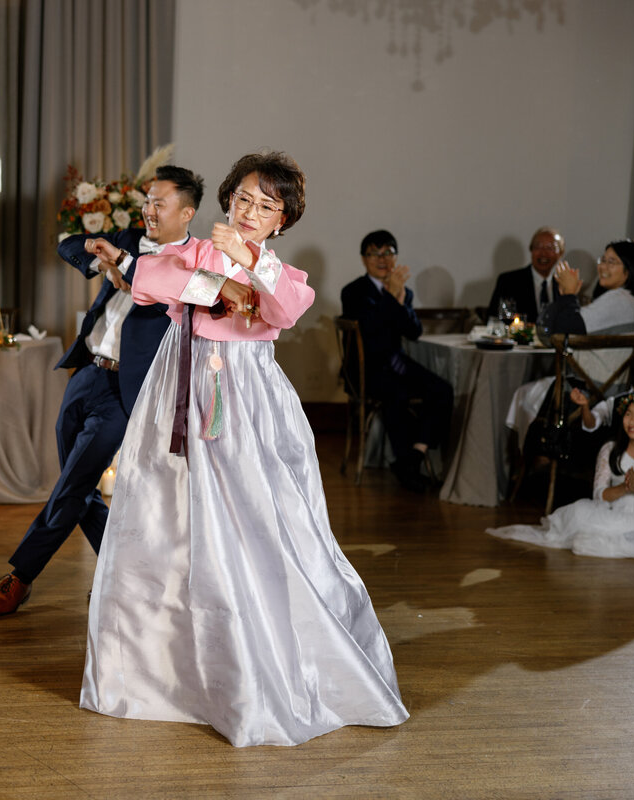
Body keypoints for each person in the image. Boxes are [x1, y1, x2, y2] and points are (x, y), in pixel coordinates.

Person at [81, 152, 408, 747]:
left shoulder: (279, 268)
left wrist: (246, 266)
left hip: (244, 402)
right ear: (228, 201)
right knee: (167, 526)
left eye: (267, 205)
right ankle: (167, 675)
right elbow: (154, 279)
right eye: (243, 200)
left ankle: (263, 668)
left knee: (258, 526)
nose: (251, 211)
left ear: (282, 220)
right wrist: (221, 282)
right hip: (177, 392)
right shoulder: (200, 251)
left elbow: (283, 307)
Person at [0, 165, 205, 617]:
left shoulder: (193, 260)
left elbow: (168, 289)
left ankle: (20, 577)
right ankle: (118, 571)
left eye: (160, 203)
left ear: (187, 212)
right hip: (87, 373)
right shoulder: (127, 236)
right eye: (147, 201)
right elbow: (66, 245)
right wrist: (99, 256)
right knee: (76, 487)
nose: (149, 210)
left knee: (74, 482)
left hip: (128, 387)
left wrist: (127, 267)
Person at [340, 230, 453, 491]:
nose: (382, 259)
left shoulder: (403, 290)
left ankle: (414, 456)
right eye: (374, 253)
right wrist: (391, 297)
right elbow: (371, 334)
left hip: (396, 363)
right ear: (363, 259)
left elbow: (414, 332)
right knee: (396, 392)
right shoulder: (354, 291)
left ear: (396, 257)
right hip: (366, 369)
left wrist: (400, 298)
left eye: (388, 253)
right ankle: (406, 466)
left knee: (442, 390)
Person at [507, 240, 634, 445]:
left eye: (612, 262)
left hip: (585, 395)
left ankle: (536, 454)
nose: (602, 266)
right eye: (602, 260)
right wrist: (567, 298)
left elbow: (556, 331)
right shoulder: (631, 303)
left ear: (629, 270)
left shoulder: (618, 300)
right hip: (610, 391)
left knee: (520, 393)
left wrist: (568, 295)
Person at [489, 391, 634, 557]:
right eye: (628, 414)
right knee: (582, 521)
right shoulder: (611, 450)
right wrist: (624, 488)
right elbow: (599, 495)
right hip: (614, 514)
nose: (633, 422)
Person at [488, 227, 565, 322]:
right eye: (538, 247)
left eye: (550, 248)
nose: (543, 253)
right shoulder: (509, 282)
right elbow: (497, 320)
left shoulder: (565, 285)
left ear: (560, 253)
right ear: (531, 250)